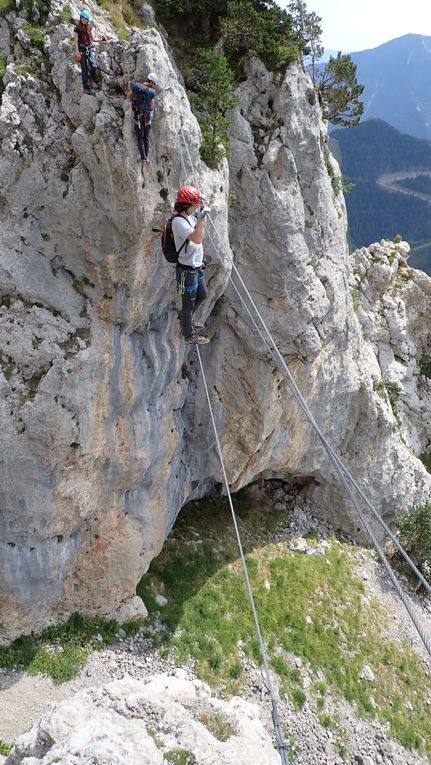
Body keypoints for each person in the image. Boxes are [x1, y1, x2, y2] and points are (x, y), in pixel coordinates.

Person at [172, 185, 210, 345]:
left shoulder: (189, 217)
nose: (195, 208)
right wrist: (200, 219)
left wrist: (201, 216)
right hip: (186, 271)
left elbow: (200, 232)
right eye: (194, 205)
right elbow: (197, 238)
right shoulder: (178, 222)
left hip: (195, 268)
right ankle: (188, 333)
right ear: (186, 206)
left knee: (202, 295)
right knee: (188, 303)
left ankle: (185, 320)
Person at [74, 9, 107, 95]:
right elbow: (75, 42)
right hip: (81, 50)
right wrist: (77, 53)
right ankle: (86, 87)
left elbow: (93, 39)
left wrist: (101, 40)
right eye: (82, 18)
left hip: (89, 48)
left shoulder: (89, 28)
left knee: (94, 65)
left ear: (88, 20)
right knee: (84, 69)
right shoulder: (77, 29)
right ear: (80, 18)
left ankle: (93, 76)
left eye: (85, 18)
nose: (84, 20)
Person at [127, 74, 157, 164]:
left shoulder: (136, 86)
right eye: (154, 84)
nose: (154, 86)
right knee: (146, 138)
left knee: (140, 138)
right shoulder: (152, 92)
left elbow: (129, 96)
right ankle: (146, 157)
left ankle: (143, 158)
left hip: (138, 116)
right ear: (151, 82)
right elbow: (152, 107)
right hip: (147, 118)